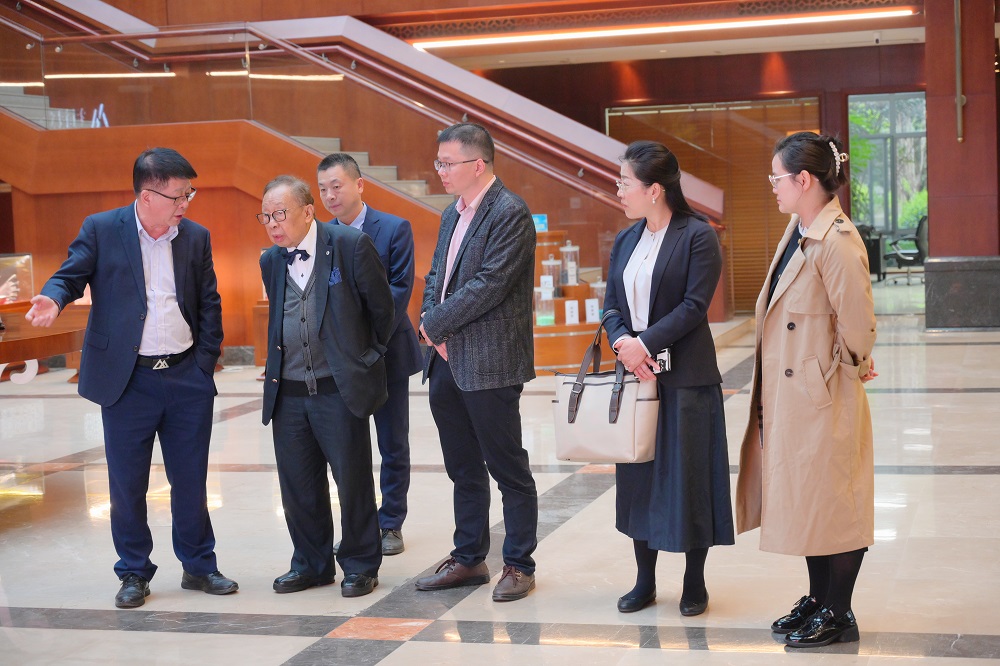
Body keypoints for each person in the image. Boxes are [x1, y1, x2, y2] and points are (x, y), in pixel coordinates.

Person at [25, 147, 238, 608]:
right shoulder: (102, 229)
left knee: (191, 480)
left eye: (189, 194)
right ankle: (134, 572)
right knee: (127, 485)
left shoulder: (195, 237)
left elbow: (209, 301)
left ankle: (200, 566)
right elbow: (70, 275)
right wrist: (53, 298)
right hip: (128, 381)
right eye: (179, 196)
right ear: (148, 195)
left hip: (185, 377)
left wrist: (204, 363)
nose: (185, 204)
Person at [735, 132, 878, 648]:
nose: (772, 186)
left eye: (776, 178)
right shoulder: (800, 229)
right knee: (808, 501)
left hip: (822, 396)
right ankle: (819, 599)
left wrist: (851, 365)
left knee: (835, 503)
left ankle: (840, 612)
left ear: (803, 180)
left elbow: (858, 327)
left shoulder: (837, 241)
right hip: (792, 396)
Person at [603, 140, 735, 616]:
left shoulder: (697, 235)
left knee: (690, 478)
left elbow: (694, 307)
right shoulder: (626, 240)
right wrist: (623, 343)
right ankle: (644, 581)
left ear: (654, 189)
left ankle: (694, 582)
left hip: (687, 379)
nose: (619, 191)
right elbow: (611, 306)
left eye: (625, 183)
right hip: (637, 377)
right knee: (639, 478)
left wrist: (644, 344)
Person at [416, 123, 539, 602]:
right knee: (463, 468)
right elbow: (438, 276)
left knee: (508, 468)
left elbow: (489, 285)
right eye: (439, 162)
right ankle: (469, 558)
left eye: (448, 163)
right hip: (446, 359)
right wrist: (430, 321)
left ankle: (519, 564)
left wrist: (435, 324)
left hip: (490, 362)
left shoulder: (509, 212)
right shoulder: (453, 213)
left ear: (478, 164)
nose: (440, 171)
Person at [259, 175, 394, 599]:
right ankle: (311, 564)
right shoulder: (271, 260)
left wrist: (365, 359)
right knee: (298, 486)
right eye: (266, 217)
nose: (272, 224)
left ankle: (360, 563)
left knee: (352, 481)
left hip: (338, 388)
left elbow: (383, 311)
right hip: (289, 393)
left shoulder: (350, 246)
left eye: (280, 214)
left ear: (307, 212)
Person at [317, 153, 423, 557]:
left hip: (387, 352)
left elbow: (399, 291)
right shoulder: (319, 235)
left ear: (359, 185)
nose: (330, 195)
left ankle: (391, 521)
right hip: (342, 360)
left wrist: (363, 338)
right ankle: (360, 525)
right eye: (323, 189)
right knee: (349, 447)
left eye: (336, 186)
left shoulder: (394, 228)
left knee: (393, 442)